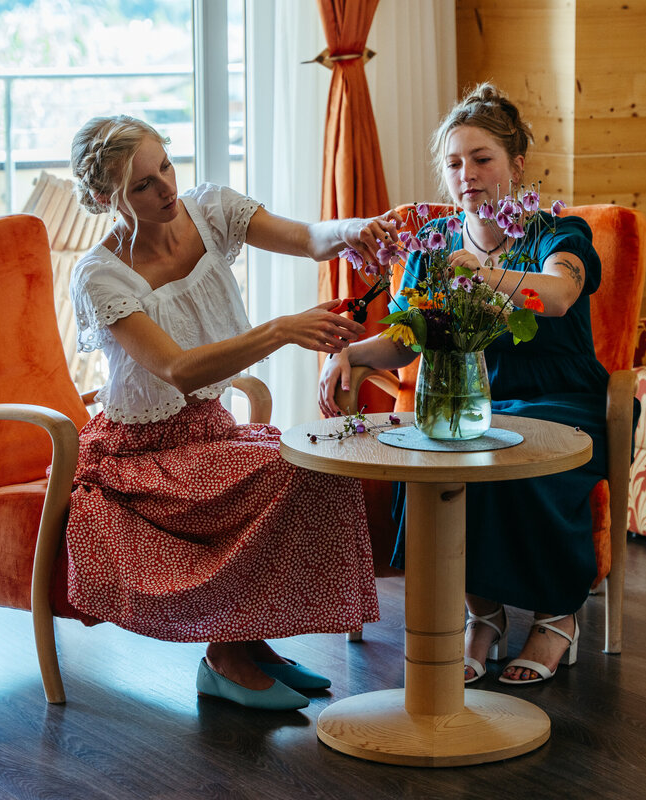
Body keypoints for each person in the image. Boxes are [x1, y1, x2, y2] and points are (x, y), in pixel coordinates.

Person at [66, 115, 400, 711]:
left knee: (318, 460)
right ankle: (224, 655)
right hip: (142, 455)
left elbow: (308, 238)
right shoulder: (100, 275)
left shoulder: (210, 209)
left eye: (165, 166)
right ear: (102, 198)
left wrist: (356, 229)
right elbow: (178, 369)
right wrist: (281, 330)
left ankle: (249, 641)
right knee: (283, 470)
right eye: (142, 185)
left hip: (211, 429)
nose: (166, 188)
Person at [319, 84, 622, 686]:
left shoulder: (557, 235)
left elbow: (558, 296)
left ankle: (556, 614)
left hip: (562, 397)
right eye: (454, 163)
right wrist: (348, 354)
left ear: (517, 166)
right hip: (466, 395)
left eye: (482, 159)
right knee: (438, 468)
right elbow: (408, 336)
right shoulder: (435, 248)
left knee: (528, 466)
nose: (467, 175)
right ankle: (480, 615)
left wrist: (482, 269)